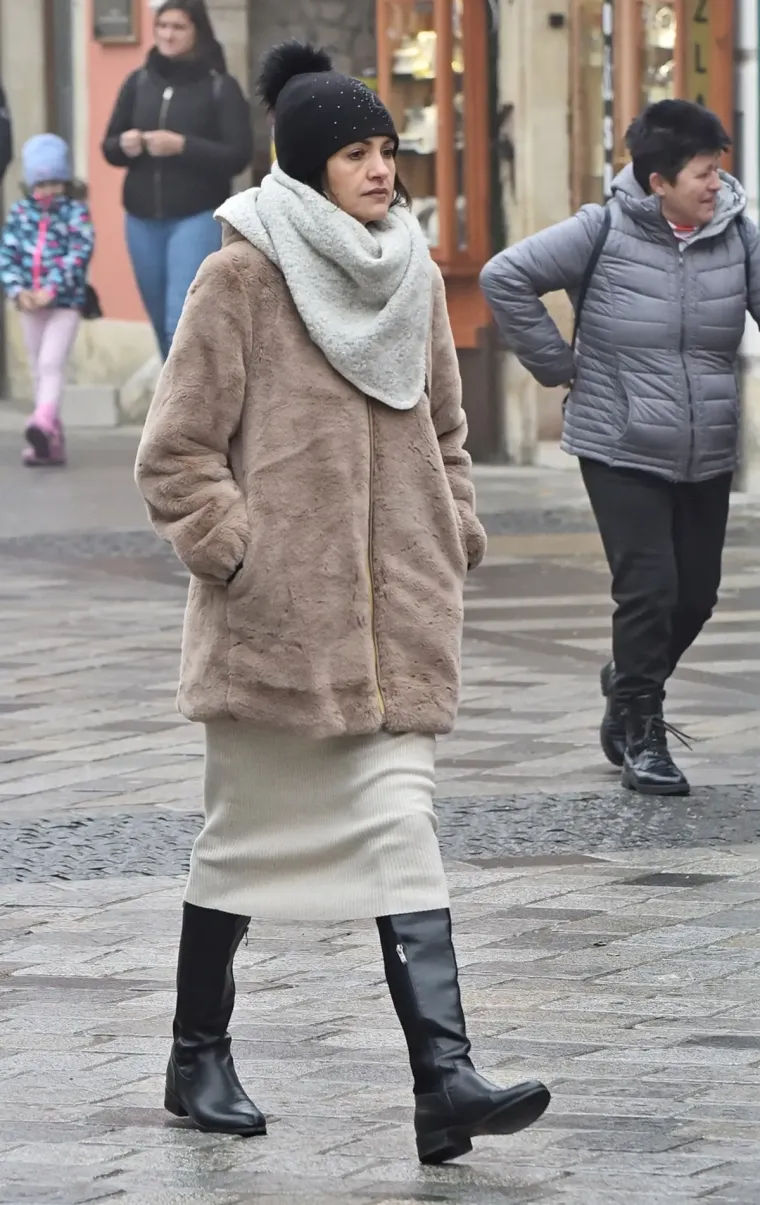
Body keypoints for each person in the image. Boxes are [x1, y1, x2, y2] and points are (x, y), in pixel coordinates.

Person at [134, 40, 550, 1165]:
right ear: (309, 165)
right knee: (236, 846)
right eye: (358, 153)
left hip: (398, 624)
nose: (381, 171)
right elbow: (175, 453)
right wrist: (238, 554)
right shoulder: (243, 275)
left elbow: (447, 433)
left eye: (387, 151)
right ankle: (196, 1053)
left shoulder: (408, 269)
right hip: (275, 626)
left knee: (404, 829)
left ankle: (444, 1080)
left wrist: (452, 524)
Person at [481, 101, 760, 798]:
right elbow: (503, 277)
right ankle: (642, 727)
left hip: (708, 443)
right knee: (650, 589)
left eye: (718, 171)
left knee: (695, 596)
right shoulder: (600, 228)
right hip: (619, 439)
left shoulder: (739, 234)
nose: (715, 185)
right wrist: (557, 365)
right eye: (701, 173)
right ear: (658, 179)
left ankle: (627, 680)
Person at [101, 0, 252, 361]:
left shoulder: (220, 87)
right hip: (140, 218)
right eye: (163, 26)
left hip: (196, 216)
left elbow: (238, 155)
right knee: (158, 323)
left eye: (178, 27)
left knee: (179, 322)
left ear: (197, 32)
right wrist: (125, 144)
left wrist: (182, 146)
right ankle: (182, 403)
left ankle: (187, 412)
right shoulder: (138, 82)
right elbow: (109, 147)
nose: (168, 34)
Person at [0, 134, 94, 467]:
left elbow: (78, 254)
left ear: (64, 180)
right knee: (38, 367)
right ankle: (50, 444)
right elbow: (7, 255)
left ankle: (41, 421)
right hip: (29, 306)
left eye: (54, 182)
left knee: (52, 363)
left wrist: (51, 290)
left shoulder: (75, 214)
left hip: (64, 304)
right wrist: (18, 290)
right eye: (41, 184)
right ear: (29, 183)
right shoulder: (20, 215)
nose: (48, 191)